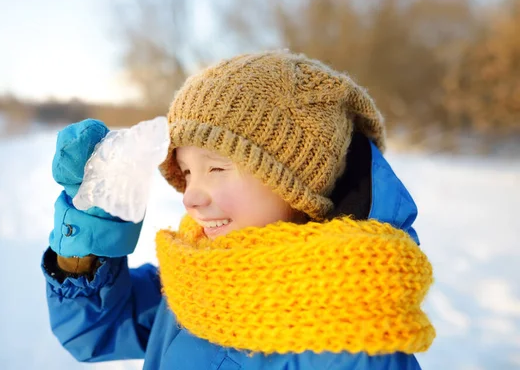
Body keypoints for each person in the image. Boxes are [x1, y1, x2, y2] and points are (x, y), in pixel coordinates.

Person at [42, 51, 435, 370]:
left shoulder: (353, 333)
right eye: (188, 172)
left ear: (297, 183)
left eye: (216, 168)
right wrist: (90, 225)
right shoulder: (195, 276)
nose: (190, 197)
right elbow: (98, 330)